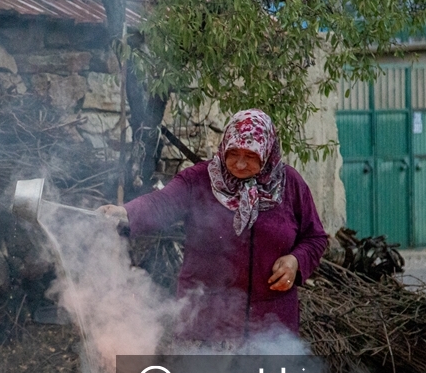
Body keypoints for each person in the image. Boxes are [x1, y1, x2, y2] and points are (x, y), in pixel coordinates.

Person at [99, 109, 329, 346]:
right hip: (206, 323)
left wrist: (295, 262)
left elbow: (315, 237)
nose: (239, 164)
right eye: (233, 153)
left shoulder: (289, 184)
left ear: (267, 153)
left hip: (272, 326)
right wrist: (126, 213)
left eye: (250, 156)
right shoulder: (199, 180)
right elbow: (161, 203)